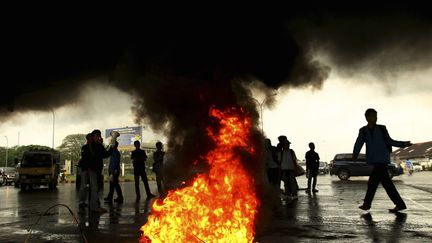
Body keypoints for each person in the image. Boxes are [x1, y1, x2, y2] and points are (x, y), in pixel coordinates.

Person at [353, 108, 412, 213]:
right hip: (374, 160)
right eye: (372, 116)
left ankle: (367, 204)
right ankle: (399, 204)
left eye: (376, 116)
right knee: (382, 183)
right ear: (366, 118)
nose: (375, 118)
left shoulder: (382, 128)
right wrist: (355, 155)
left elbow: (389, 141)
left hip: (382, 159)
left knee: (374, 183)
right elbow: (359, 143)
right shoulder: (363, 131)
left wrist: (403, 144)